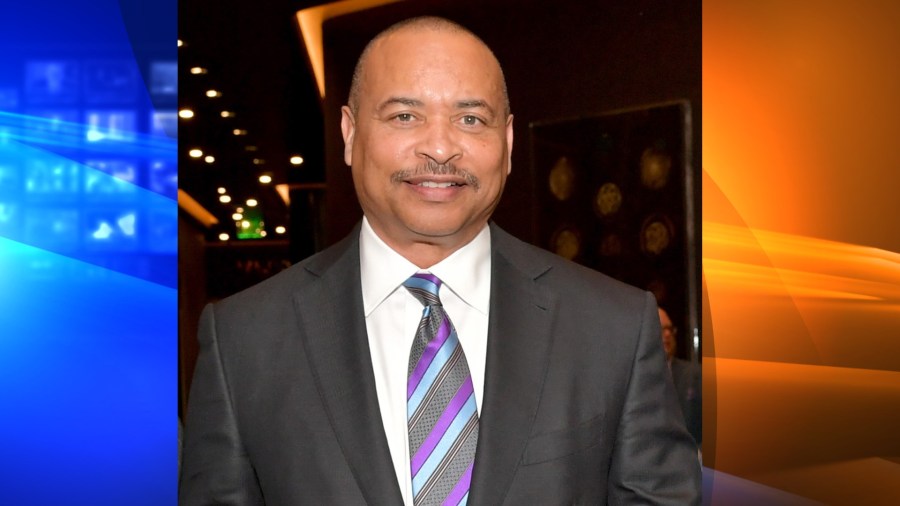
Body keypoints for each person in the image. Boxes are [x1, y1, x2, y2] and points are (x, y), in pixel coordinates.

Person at [180, 16, 700, 505]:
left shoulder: (612, 327)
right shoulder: (244, 340)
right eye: (405, 115)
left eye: (471, 118)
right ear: (349, 133)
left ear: (509, 142)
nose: (440, 147)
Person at [659, 306, 702, 447]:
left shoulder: (694, 375)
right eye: (660, 329)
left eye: (670, 329)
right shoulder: (633, 378)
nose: (667, 334)